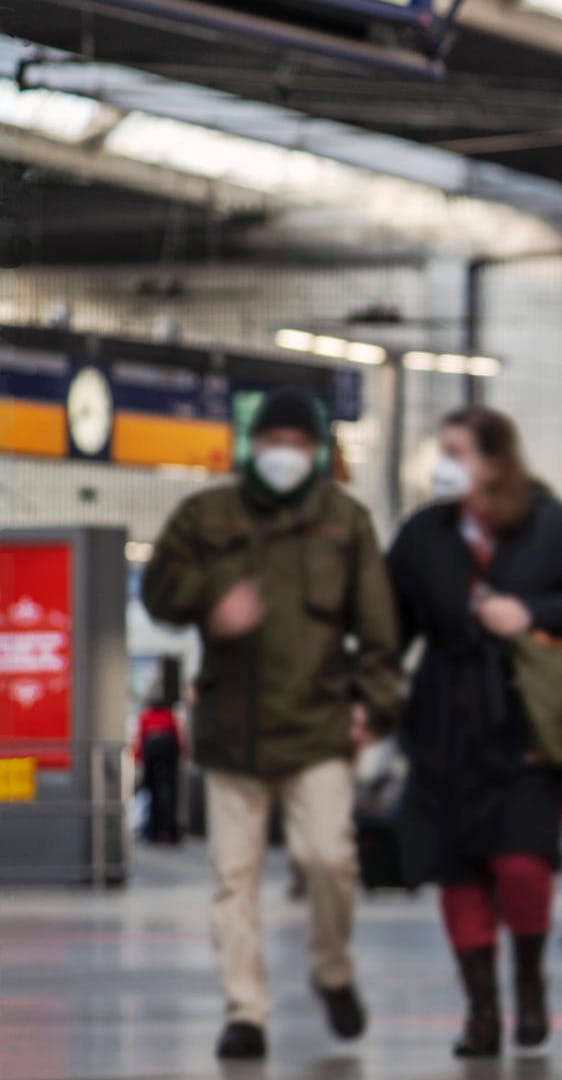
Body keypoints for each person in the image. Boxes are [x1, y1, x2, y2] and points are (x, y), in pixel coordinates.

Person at [141, 386, 401, 1061]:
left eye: (297, 445)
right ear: (252, 446)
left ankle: (332, 969)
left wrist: (373, 705)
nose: (284, 455)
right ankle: (245, 1011)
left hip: (319, 726)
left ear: (315, 452)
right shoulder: (206, 514)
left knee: (329, 859)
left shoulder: (346, 523)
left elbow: (379, 629)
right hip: (232, 728)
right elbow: (159, 589)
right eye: (273, 442)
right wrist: (209, 602)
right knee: (235, 877)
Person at [385, 406, 562, 1058]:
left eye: (455, 450)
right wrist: (363, 698)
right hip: (443, 724)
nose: (443, 464)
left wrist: (529, 612)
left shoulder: (548, 521)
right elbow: (389, 628)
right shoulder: (422, 534)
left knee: (520, 862)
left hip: (525, 723)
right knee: (456, 870)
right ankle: (482, 1011)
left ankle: (529, 984)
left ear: (493, 459)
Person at [134, 687, 183, 845]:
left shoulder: (146, 716)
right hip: (169, 751)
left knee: (151, 790)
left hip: (151, 751)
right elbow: (178, 737)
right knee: (171, 790)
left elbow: (140, 737)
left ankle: (152, 831)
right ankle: (170, 831)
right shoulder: (169, 716)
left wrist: (139, 757)